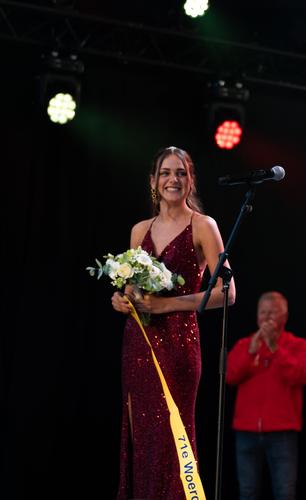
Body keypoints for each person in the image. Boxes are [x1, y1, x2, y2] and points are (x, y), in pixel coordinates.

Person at [110, 146, 236, 499]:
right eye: (165, 173)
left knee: (172, 434)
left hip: (179, 346)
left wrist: (167, 305)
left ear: (190, 181)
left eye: (181, 173)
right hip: (138, 344)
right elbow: (133, 288)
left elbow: (227, 292)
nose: (173, 179)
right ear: (153, 181)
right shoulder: (140, 230)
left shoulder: (203, 225)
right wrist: (122, 299)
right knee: (142, 437)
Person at [226, 291, 306, 500]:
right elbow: (230, 376)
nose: (266, 318)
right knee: (247, 492)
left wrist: (275, 348)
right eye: (263, 312)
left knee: (284, 491)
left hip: (282, 432)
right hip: (246, 431)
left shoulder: (298, 345)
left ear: (285, 316)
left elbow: (301, 376)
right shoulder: (244, 344)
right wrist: (251, 351)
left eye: (272, 312)